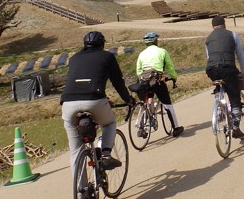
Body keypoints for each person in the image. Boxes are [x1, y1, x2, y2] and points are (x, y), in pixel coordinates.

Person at [60, 31, 135, 173]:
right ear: (102, 44)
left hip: (68, 103)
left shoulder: (74, 58)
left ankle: (82, 192)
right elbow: (118, 82)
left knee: (75, 151)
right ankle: (106, 155)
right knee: (109, 123)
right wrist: (128, 99)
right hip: (94, 100)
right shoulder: (107, 56)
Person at [204, 16, 244, 138]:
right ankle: (235, 127)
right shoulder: (232, 35)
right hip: (228, 67)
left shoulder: (208, 39)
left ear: (213, 26)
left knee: (219, 85)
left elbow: (209, 57)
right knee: (234, 96)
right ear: (224, 24)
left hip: (211, 69)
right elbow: (240, 54)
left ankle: (219, 105)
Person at [135, 31, 184, 137]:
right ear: (156, 41)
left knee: (147, 99)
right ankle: (175, 128)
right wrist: (174, 77)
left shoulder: (141, 54)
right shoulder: (162, 51)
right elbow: (170, 67)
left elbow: (138, 71)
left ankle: (142, 126)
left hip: (144, 80)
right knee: (167, 103)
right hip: (157, 80)